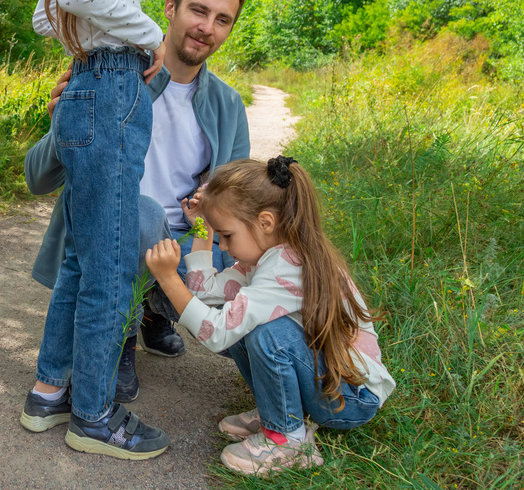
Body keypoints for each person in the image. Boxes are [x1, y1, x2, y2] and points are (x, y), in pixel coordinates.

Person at [18, 0, 204, 460]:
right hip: (111, 91)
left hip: (93, 88)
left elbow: (49, 16)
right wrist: (148, 32)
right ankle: (94, 414)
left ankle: (51, 391)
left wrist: (92, 53)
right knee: (110, 264)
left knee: (83, 257)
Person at [25, 0, 250, 408]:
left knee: (247, 270)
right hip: (115, 237)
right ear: (169, 7)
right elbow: (37, 178)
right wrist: (67, 123)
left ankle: (153, 311)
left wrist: (213, 200)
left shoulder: (227, 104)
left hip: (184, 243)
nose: (207, 28)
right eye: (198, 10)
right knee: (140, 211)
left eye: (222, 20)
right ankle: (123, 334)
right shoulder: (109, 78)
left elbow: (240, 203)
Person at [145, 156, 396, 476]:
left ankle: (286, 440)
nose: (224, 245)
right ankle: (278, 412)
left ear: (265, 222)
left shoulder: (285, 268)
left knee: (266, 333)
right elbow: (205, 291)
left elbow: (216, 333)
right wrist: (202, 226)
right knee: (243, 320)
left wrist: (168, 278)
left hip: (351, 397)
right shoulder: (265, 257)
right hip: (332, 383)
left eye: (228, 235)